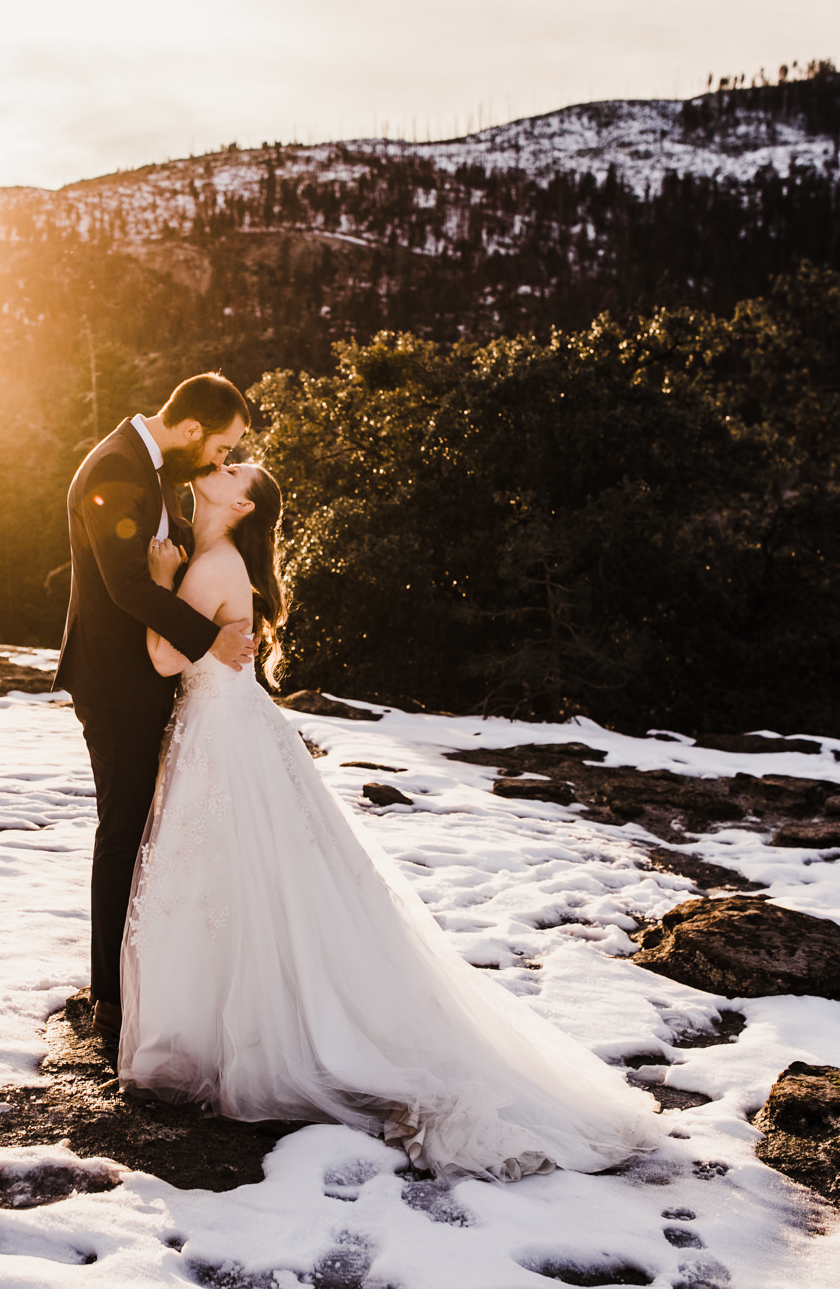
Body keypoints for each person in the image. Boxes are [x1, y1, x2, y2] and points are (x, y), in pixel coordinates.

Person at [117, 460, 661, 1180]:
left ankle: (228, 1036)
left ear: (242, 502)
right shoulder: (214, 559)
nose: (221, 464)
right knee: (251, 879)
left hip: (220, 738)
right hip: (232, 730)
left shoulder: (212, 563)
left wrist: (157, 584)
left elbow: (161, 656)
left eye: (235, 467)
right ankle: (242, 1025)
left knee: (222, 878)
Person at [53, 373, 258, 1055]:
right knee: (123, 831)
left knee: (144, 829)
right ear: (194, 429)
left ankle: (137, 981)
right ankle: (109, 998)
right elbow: (129, 583)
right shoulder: (117, 466)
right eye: (223, 444)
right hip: (114, 686)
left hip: (145, 680)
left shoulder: (154, 468)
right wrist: (211, 639)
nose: (222, 458)